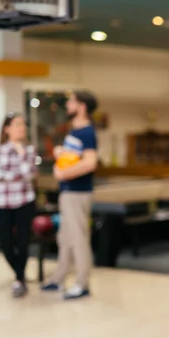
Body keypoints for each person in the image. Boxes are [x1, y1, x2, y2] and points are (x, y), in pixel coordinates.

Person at [41, 91, 99, 300]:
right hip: (68, 192)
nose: (68, 106)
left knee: (78, 238)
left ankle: (82, 283)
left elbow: (90, 162)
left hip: (77, 193)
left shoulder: (86, 132)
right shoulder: (75, 132)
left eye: (72, 102)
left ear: (82, 106)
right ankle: (59, 277)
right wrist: (60, 154)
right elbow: (72, 159)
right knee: (65, 238)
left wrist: (63, 173)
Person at [0, 113, 37, 298]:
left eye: (23, 124)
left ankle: (19, 279)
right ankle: (20, 273)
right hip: (3, 202)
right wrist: (17, 175)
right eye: (17, 124)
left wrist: (22, 156)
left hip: (25, 201)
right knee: (5, 241)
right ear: (7, 128)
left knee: (23, 242)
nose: (22, 128)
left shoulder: (29, 150)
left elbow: (29, 174)